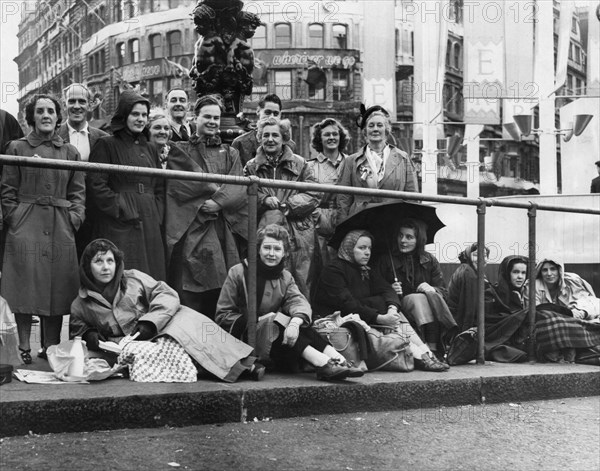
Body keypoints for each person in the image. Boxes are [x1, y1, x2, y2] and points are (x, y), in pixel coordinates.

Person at [70, 239, 264, 382]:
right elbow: (77, 329)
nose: (106, 268)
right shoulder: (81, 302)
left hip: (156, 326)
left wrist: (150, 322)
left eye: (110, 261)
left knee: (194, 323)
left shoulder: (133, 279)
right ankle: (238, 370)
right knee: (176, 347)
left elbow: (166, 294)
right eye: (98, 262)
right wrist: (89, 334)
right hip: (130, 343)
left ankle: (245, 362)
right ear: (88, 267)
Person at [215, 224, 363, 381]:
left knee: (299, 323)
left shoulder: (285, 277)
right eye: (267, 248)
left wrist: (294, 323)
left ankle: (338, 359)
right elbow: (223, 315)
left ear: (284, 252)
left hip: (275, 340)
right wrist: (258, 321)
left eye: (277, 249)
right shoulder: (238, 272)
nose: (271, 254)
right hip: (245, 340)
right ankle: (323, 364)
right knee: (277, 321)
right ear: (258, 249)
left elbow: (298, 302)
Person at [1, 94, 85, 364]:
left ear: (58, 116)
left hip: (61, 225)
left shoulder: (70, 151)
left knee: (58, 286)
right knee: (25, 285)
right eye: (40, 111)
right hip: (26, 223)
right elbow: (8, 190)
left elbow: (78, 193)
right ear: (31, 117)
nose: (46, 115)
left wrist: (74, 218)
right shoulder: (16, 147)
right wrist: (14, 217)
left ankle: (51, 346)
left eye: (51, 111)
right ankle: (23, 346)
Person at [312, 230, 449, 371]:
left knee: (397, 318)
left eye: (369, 248)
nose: (367, 252)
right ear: (349, 248)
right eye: (362, 248)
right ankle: (421, 356)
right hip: (343, 320)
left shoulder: (365, 269)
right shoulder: (333, 270)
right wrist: (380, 317)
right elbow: (347, 304)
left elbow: (387, 289)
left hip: (368, 316)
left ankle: (427, 353)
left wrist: (392, 309)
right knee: (392, 317)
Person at [165, 95, 247, 318]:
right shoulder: (180, 149)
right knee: (191, 290)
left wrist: (217, 203)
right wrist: (206, 200)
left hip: (223, 230)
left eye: (216, 117)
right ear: (195, 118)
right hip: (192, 227)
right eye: (207, 116)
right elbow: (180, 186)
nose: (212, 121)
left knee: (223, 289)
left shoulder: (231, 153)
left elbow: (239, 186)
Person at [87, 89, 166, 281]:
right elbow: (96, 184)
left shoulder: (150, 148)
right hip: (119, 222)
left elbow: (160, 187)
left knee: (151, 275)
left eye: (144, 115)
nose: (140, 119)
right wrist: (120, 206)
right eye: (135, 114)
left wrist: (157, 211)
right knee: (126, 273)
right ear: (124, 116)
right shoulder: (106, 144)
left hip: (149, 219)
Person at [243, 117, 320, 297]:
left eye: (275, 135)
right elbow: (244, 194)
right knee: (268, 277)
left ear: (284, 138)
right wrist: (263, 199)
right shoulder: (251, 166)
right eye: (266, 135)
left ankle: (299, 319)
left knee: (300, 278)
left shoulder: (301, 163)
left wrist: (288, 206)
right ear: (260, 138)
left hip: (298, 229)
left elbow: (314, 193)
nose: (270, 139)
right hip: (266, 226)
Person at [374, 219, 457, 361]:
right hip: (398, 310)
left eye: (409, 237)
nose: (403, 240)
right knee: (417, 298)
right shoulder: (386, 260)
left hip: (427, 309)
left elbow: (444, 292)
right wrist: (391, 289)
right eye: (400, 235)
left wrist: (432, 288)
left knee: (428, 295)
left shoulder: (429, 260)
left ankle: (430, 347)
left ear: (419, 240)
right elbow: (375, 288)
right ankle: (431, 347)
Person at [337, 105, 418, 219]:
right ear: (365, 131)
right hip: (361, 221)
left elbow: (412, 196)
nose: (375, 129)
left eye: (379, 125)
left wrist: (410, 223)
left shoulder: (403, 158)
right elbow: (343, 199)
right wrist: (343, 227)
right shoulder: (351, 161)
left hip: (394, 219)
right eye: (371, 125)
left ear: (386, 130)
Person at [58, 83, 109, 258]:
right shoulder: (54, 136)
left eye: (81, 101)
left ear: (89, 104)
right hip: (65, 210)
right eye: (71, 101)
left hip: (97, 212)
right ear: (64, 104)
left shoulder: (103, 138)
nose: (77, 106)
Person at [527, 257, 600, 362]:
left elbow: (590, 301)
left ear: (559, 270)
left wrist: (581, 312)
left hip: (574, 323)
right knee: (554, 323)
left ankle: (581, 353)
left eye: (553, 269)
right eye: (545, 270)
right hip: (551, 326)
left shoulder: (571, 282)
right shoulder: (533, 286)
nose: (549, 273)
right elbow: (535, 312)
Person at [308, 118, 350, 264]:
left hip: (346, 223)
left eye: (335, 134)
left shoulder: (351, 163)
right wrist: (318, 218)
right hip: (319, 226)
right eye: (327, 135)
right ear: (320, 139)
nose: (331, 137)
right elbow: (307, 197)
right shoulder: (310, 166)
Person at [482, 255, 531, 362]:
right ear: (506, 273)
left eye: (523, 273)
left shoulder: (525, 293)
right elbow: (490, 323)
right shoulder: (492, 293)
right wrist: (519, 316)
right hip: (499, 340)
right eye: (515, 272)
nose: (520, 277)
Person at [232, 94, 296, 166]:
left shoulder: (290, 145)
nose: (272, 117)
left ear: (280, 115)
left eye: (276, 114)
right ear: (258, 111)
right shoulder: (240, 143)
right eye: (267, 112)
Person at [446, 243, 491, 333]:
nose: (481, 259)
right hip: (461, 325)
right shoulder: (468, 273)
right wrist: (465, 335)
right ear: (468, 257)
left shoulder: (473, 271)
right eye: (476, 255)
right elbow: (469, 309)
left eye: (484, 256)